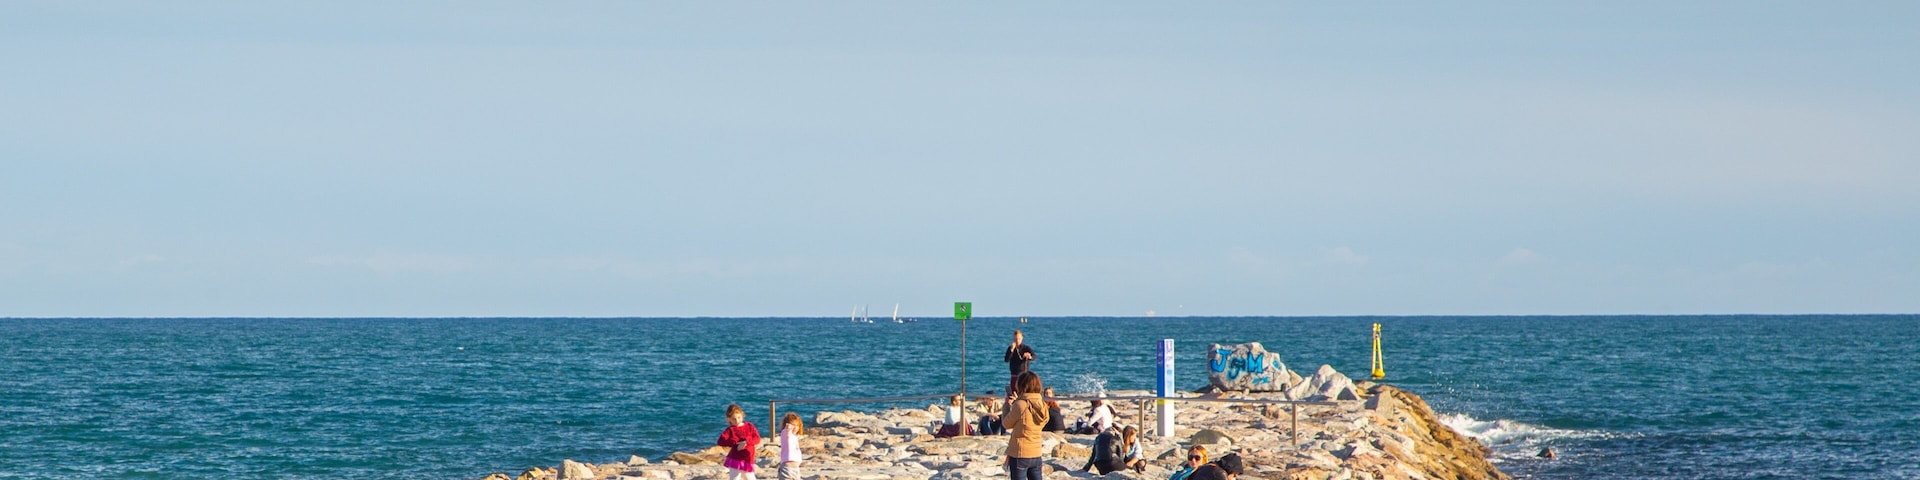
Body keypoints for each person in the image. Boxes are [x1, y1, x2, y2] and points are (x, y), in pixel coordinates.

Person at [1001, 371, 1050, 480]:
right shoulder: (1042, 404)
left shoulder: (1020, 404)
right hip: (1036, 452)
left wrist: (1007, 406)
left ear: (1021, 385)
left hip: (1021, 453)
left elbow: (1006, 423)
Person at [716, 404, 762, 480]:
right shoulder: (730, 430)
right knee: (735, 478)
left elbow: (757, 439)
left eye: (739, 417)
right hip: (735, 459)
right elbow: (720, 441)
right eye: (733, 419)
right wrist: (733, 442)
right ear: (729, 419)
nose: (737, 420)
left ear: (742, 415)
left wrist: (747, 441)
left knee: (750, 478)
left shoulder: (749, 426)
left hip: (747, 458)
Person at [776, 412, 804, 480]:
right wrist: (787, 429)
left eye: (797, 425)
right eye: (793, 425)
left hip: (796, 469)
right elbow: (786, 433)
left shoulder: (795, 437)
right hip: (787, 469)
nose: (795, 427)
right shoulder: (785, 434)